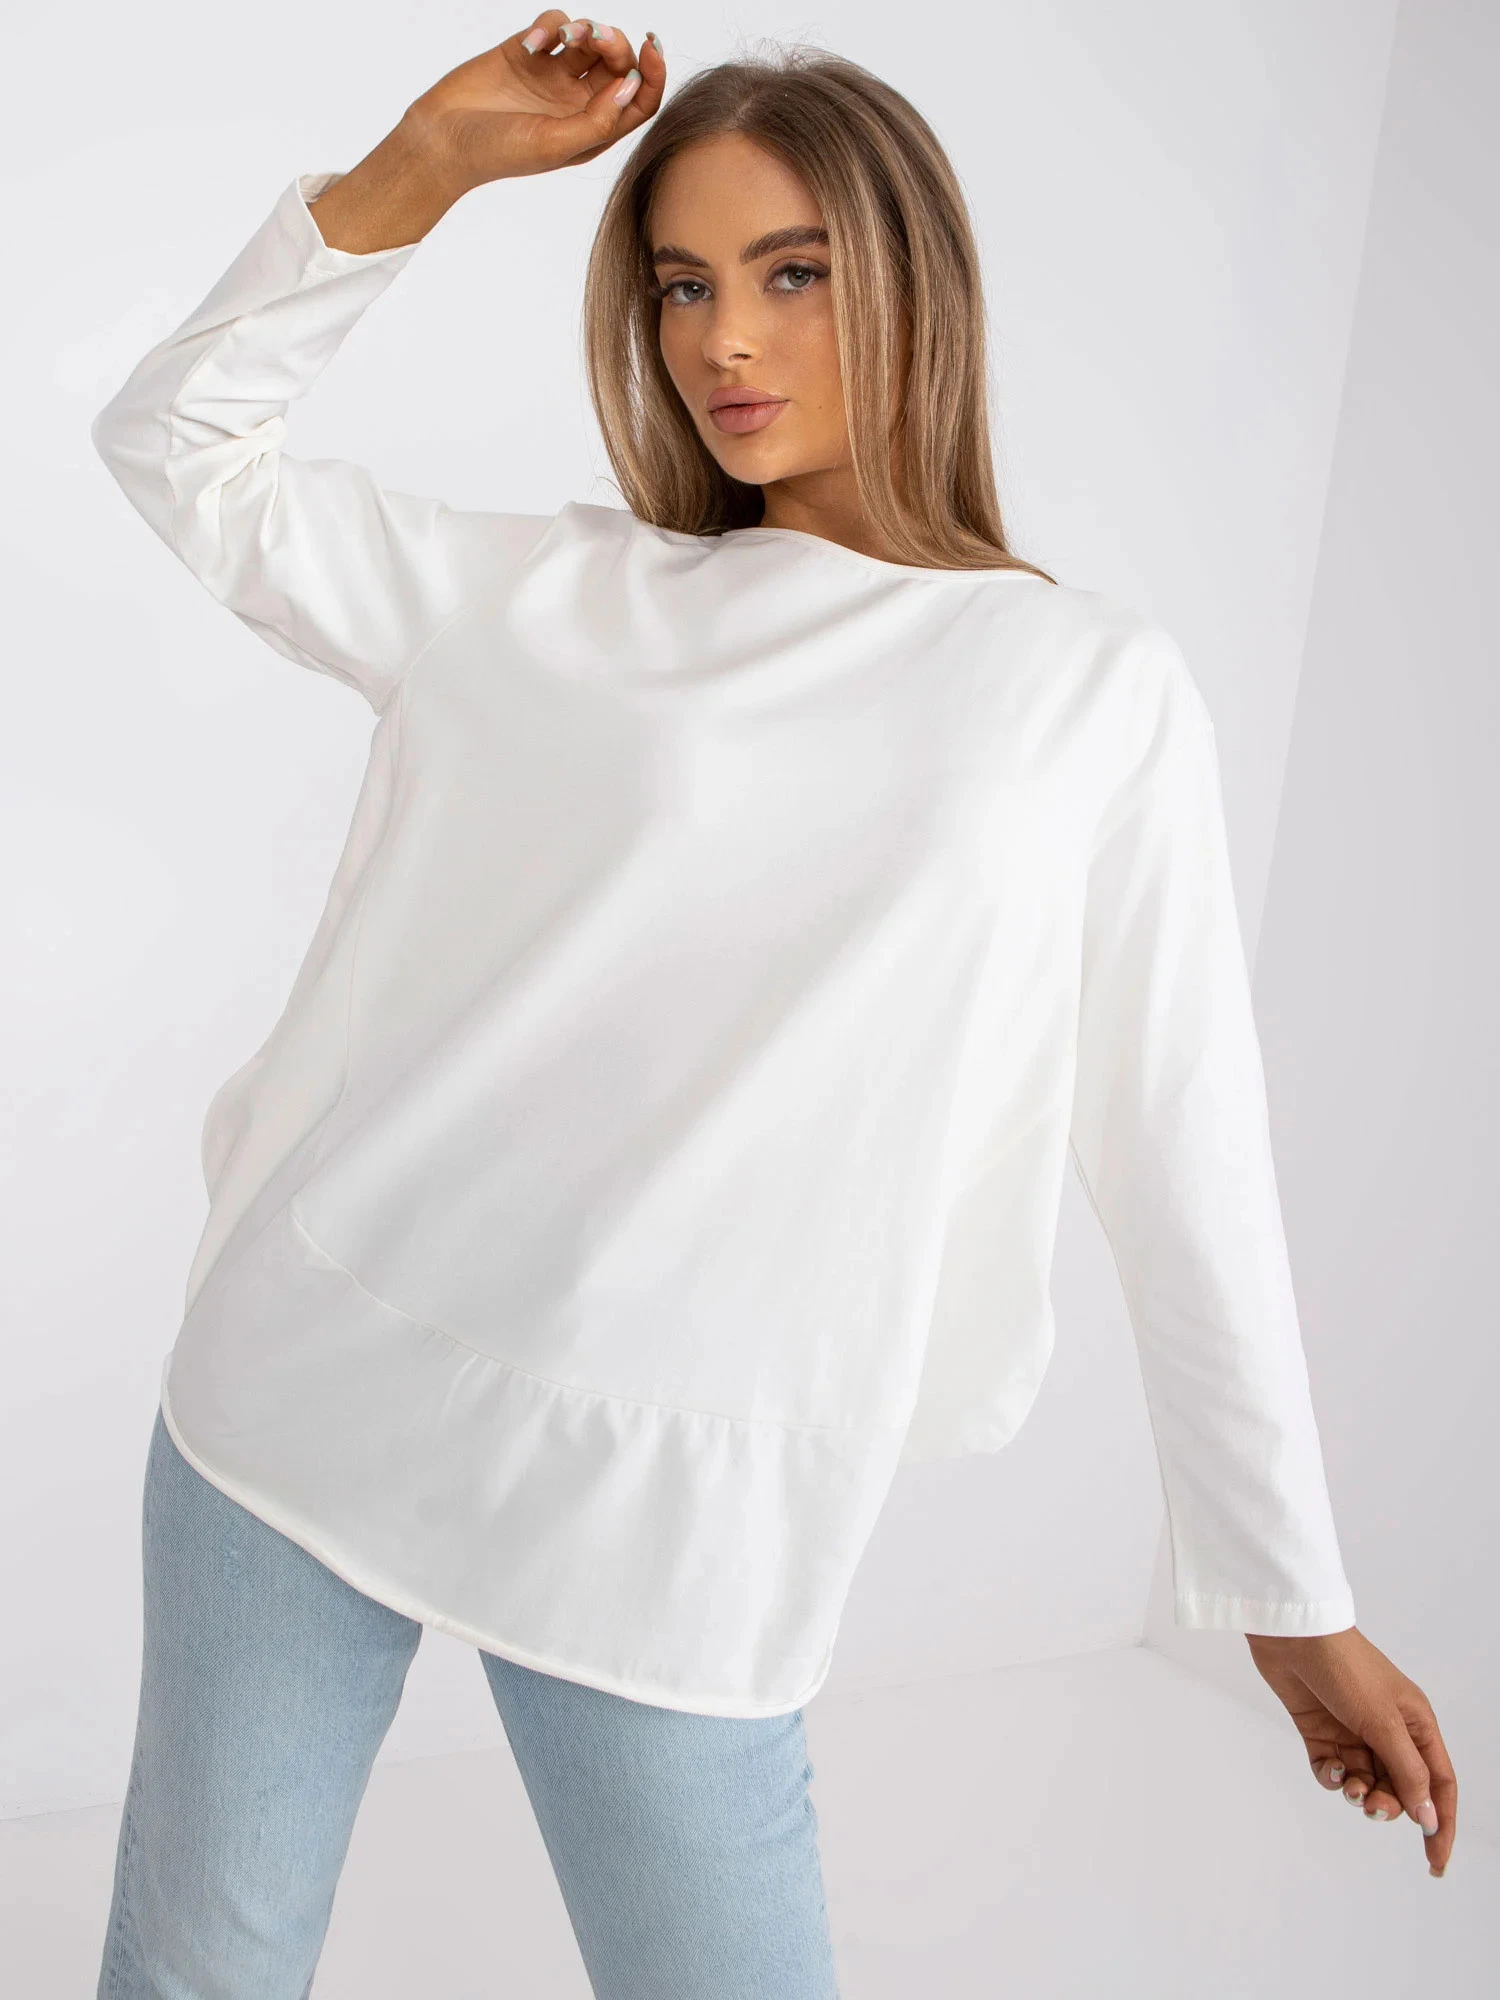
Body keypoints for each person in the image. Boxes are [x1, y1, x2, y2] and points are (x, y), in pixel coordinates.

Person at [88, 16, 1458, 1997]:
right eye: (681, 285)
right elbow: (181, 447)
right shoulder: (550, 598)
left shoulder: (1080, 690)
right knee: (199, 1962)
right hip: (310, 1391)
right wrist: (426, 163)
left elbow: (1183, 1151)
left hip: (677, 1506)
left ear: (912, 281)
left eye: (791, 272)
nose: (726, 338)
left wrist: (1287, 1591)